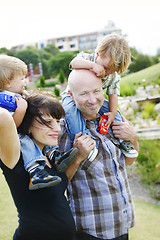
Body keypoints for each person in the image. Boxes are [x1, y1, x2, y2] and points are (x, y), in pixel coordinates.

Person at [0, 91, 93, 240]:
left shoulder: (47, 156)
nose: (57, 128)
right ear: (27, 124)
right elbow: (2, 117)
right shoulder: (15, 156)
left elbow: (57, 189)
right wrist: (17, 103)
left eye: (57, 121)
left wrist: (78, 158)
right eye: (48, 122)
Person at [59, 69, 139, 240]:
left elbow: (129, 161)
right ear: (71, 96)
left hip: (122, 223)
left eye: (96, 91)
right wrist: (78, 157)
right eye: (84, 94)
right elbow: (57, 183)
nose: (92, 99)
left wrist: (133, 137)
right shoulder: (64, 130)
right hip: (90, 230)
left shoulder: (113, 119)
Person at [0, 54, 78, 190]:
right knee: (26, 141)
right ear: (8, 82)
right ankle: (35, 171)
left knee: (43, 132)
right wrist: (21, 111)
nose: (25, 82)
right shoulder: (4, 101)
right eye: (22, 78)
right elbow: (11, 126)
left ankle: (55, 155)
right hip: (18, 137)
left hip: (28, 131)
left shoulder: (16, 95)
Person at [62, 34, 138, 159]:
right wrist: (93, 66)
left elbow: (112, 94)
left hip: (96, 98)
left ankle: (124, 141)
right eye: (106, 67)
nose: (107, 73)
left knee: (117, 113)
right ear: (97, 54)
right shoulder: (87, 59)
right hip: (73, 96)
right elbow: (73, 63)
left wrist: (112, 113)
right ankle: (85, 142)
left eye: (112, 71)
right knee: (71, 113)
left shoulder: (112, 76)